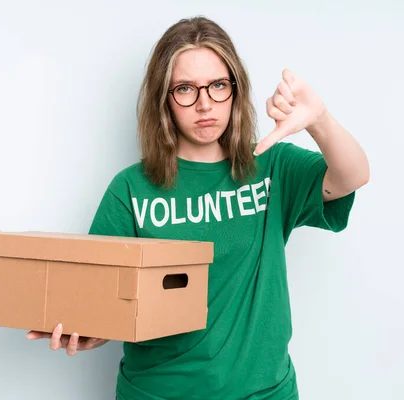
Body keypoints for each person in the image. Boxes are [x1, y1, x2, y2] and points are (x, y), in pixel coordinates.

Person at [26, 16, 370, 400]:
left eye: (218, 85)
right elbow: (105, 302)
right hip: (157, 392)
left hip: (264, 393)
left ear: (235, 89)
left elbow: (352, 176)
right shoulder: (130, 189)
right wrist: (91, 329)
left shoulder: (271, 167)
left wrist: (319, 120)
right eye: (185, 89)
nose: (205, 104)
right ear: (164, 99)